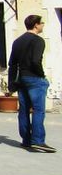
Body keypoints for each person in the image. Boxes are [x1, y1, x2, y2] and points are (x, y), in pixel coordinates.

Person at [8, 14, 54, 153]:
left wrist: (12, 83)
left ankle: (26, 140)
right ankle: (38, 141)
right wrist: (42, 76)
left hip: (21, 79)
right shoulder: (38, 41)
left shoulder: (17, 41)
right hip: (34, 79)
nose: (43, 25)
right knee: (38, 110)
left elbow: (12, 64)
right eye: (42, 23)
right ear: (36, 25)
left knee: (24, 110)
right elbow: (35, 61)